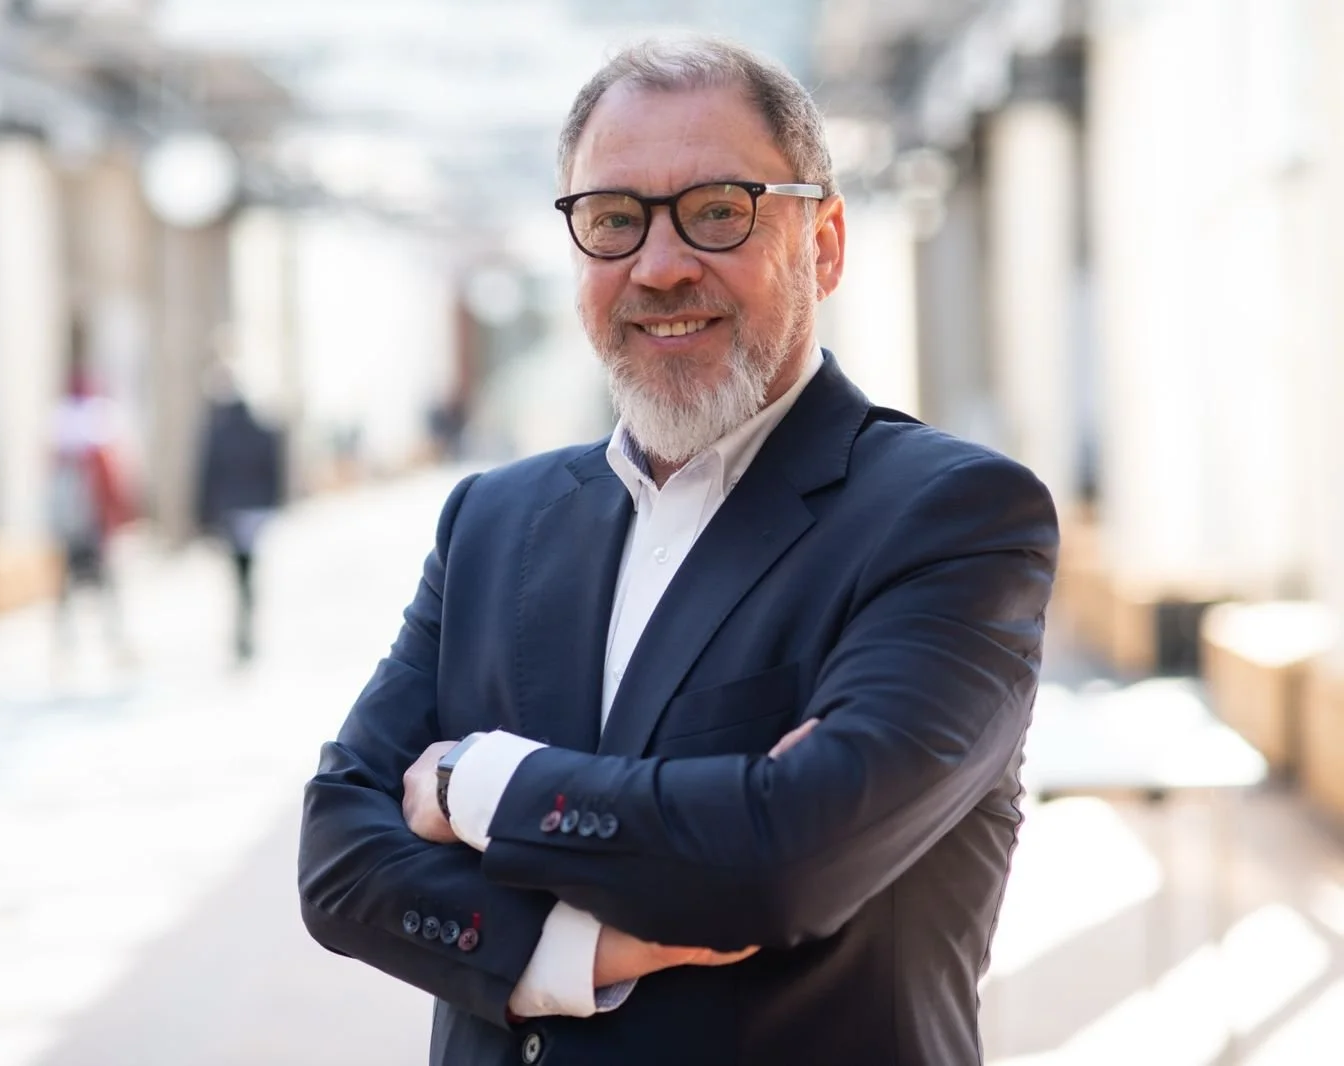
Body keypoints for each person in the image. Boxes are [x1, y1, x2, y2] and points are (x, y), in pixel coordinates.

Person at [298, 37, 1058, 1066]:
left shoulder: (949, 517)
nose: (659, 266)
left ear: (823, 243)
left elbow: (790, 857)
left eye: (716, 210)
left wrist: (475, 783)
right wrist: (574, 946)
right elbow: (340, 860)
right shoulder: (491, 519)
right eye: (614, 219)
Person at [49, 327, 133, 668]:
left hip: (74, 524)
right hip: (93, 523)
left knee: (72, 590)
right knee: (104, 588)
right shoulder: (100, 424)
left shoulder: (62, 426)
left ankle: (67, 649)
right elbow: (113, 482)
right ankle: (110, 645)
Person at [193, 357, 286, 663]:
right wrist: (274, 501)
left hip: (233, 512)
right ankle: (245, 630)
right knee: (246, 572)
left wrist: (203, 515)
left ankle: (243, 632)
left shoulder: (219, 428)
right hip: (253, 510)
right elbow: (273, 465)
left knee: (239, 574)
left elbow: (207, 473)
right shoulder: (257, 425)